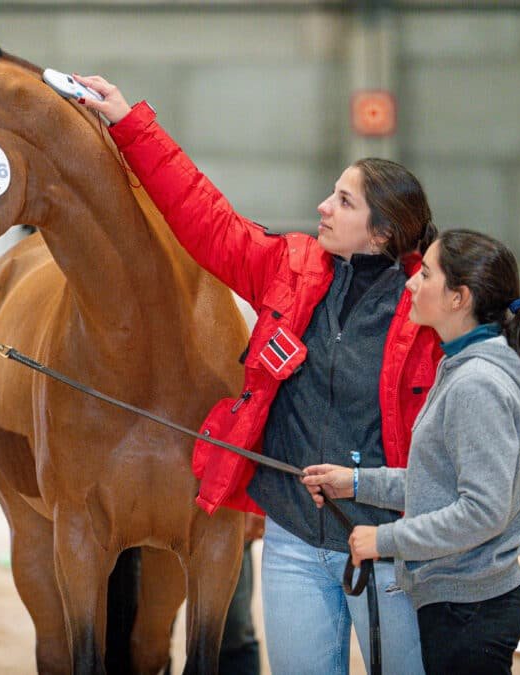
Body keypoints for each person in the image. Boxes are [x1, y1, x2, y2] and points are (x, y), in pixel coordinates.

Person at [77, 75, 442, 674]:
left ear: (383, 233)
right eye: (332, 193)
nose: (323, 207)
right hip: (294, 542)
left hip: (390, 548)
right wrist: (126, 121)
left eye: (345, 202)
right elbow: (203, 215)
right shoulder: (290, 268)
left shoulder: (429, 308)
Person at [302, 229, 520, 674]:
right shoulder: (461, 366)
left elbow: (483, 512)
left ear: (457, 298)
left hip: (470, 608)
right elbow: (439, 485)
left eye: (426, 274)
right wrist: (354, 483)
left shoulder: (476, 384)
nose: (412, 282)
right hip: (463, 601)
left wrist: (383, 540)